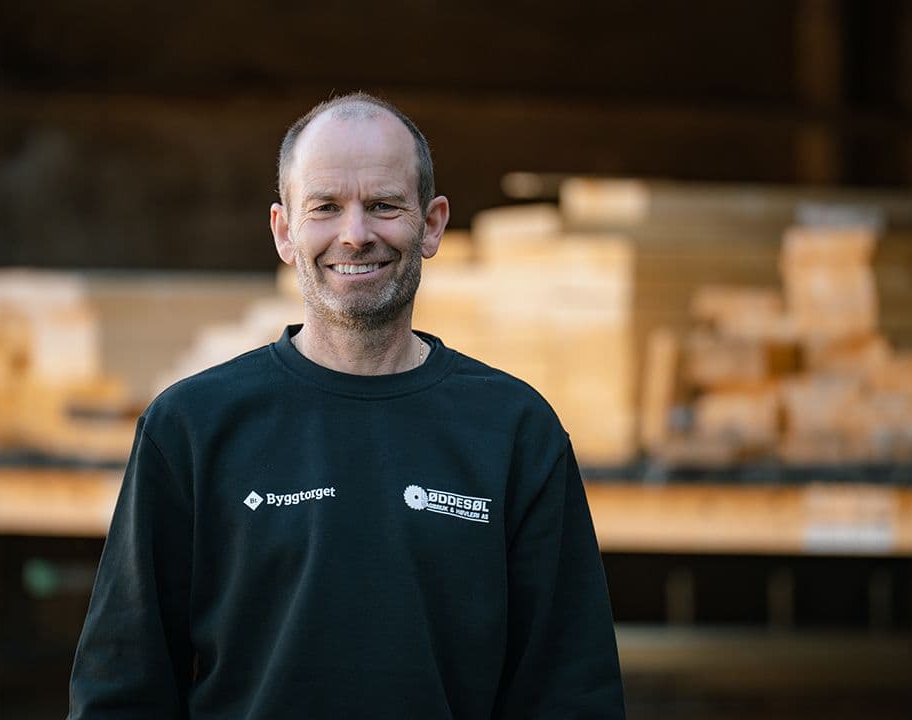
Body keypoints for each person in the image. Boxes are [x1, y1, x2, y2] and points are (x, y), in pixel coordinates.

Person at [67, 92, 626, 719]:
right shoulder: (192, 428)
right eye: (325, 208)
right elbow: (120, 690)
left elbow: (572, 695)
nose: (355, 236)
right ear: (284, 231)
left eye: (384, 206)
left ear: (433, 223)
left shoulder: (515, 432)